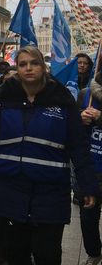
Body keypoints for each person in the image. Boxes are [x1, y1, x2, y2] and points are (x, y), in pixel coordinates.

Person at [0, 46, 97, 264]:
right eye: (23, 64)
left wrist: (88, 185)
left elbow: (78, 146)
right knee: (16, 255)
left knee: (47, 254)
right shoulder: (4, 94)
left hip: (50, 193)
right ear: (18, 68)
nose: (28, 68)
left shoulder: (61, 98)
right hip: (9, 190)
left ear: (43, 67)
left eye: (34, 63)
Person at [76, 70, 102, 265]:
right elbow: (72, 127)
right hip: (90, 169)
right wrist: (80, 118)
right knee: (87, 218)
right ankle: (93, 252)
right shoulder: (86, 94)